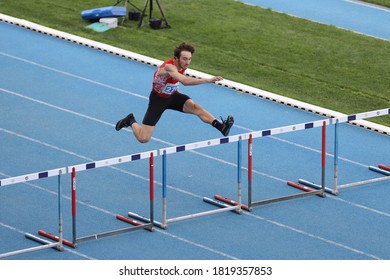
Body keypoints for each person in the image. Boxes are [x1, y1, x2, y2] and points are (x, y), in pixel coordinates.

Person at [115, 42, 234, 143]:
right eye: (185, 59)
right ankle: (130, 120)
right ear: (176, 58)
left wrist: (174, 89)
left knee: (196, 107)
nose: (187, 62)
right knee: (143, 138)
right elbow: (185, 81)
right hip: (158, 100)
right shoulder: (169, 67)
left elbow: (172, 82)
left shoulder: (182, 66)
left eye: (190, 59)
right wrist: (207, 80)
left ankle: (221, 127)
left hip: (172, 96)